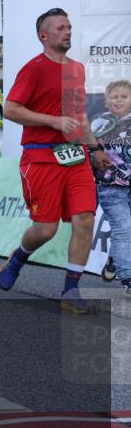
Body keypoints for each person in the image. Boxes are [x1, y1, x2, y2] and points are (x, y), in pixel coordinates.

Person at [0, 7, 112, 313]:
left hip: (76, 157)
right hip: (41, 157)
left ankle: (71, 290)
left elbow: (78, 115)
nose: (68, 32)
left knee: (85, 219)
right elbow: (10, 109)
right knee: (46, 229)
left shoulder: (76, 69)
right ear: (43, 36)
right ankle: (18, 257)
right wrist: (53, 121)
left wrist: (96, 149)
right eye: (61, 28)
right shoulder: (33, 69)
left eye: (69, 27)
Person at [90, 79, 130, 297]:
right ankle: (128, 279)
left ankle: (115, 257)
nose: (119, 100)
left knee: (126, 231)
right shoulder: (98, 124)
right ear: (106, 102)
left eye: (124, 96)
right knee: (123, 229)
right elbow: (87, 148)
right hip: (111, 186)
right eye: (114, 97)